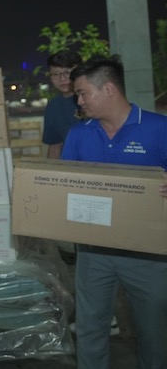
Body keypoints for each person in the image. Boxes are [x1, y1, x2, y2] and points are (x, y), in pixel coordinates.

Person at [62, 55, 167, 369]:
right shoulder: (78, 135)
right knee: (91, 329)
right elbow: (64, 188)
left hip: (147, 253)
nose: (78, 101)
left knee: (154, 332)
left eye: (82, 93)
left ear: (108, 89)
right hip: (94, 251)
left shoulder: (159, 128)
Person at [42, 50, 83, 159]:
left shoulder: (92, 100)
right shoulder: (53, 106)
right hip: (71, 170)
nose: (62, 79)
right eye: (56, 74)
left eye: (67, 73)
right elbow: (55, 146)